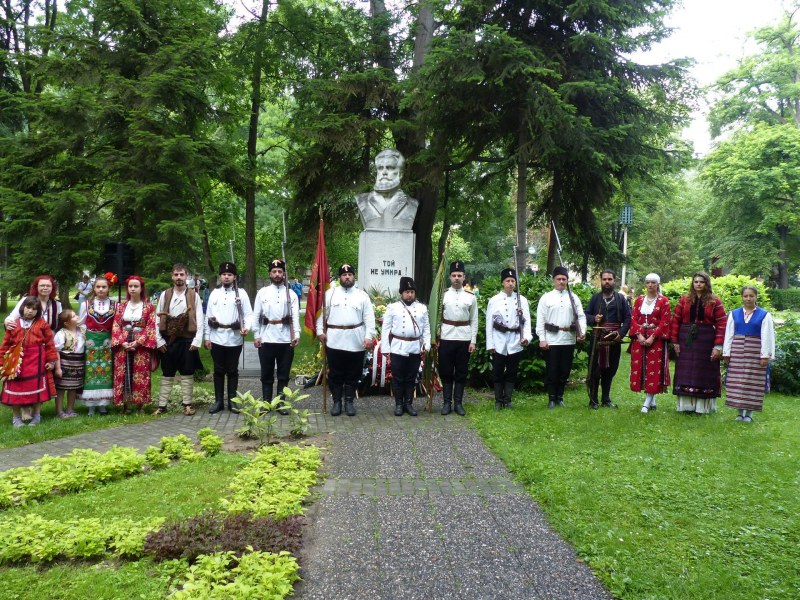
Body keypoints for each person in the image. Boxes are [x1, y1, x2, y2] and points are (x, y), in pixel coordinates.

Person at [317, 264, 376, 417]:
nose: (347, 277)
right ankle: (337, 402)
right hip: (335, 339)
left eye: (350, 274)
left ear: (354, 277)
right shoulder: (330, 294)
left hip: (355, 339)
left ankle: (349, 401)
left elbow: (369, 317)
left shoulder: (362, 295)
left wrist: (369, 336)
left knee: (353, 373)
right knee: (336, 373)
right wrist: (319, 331)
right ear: (339, 278)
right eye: (344, 275)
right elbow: (321, 314)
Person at [670, 271, 727, 414]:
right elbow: (676, 320)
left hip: (706, 341)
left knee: (704, 371)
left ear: (706, 283)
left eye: (701, 282)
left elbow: (722, 324)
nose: (698, 284)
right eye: (696, 282)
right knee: (686, 372)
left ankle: (702, 407)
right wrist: (675, 342)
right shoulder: (684, 300)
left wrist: (718, 346)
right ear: (692, 283)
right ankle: (686, 406)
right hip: (686, 341)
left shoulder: (715, 301)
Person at [155, 263, 204, 416]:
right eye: (176, 275)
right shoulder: (165, 294)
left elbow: (200, 319)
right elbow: (158, 317)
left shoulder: (193, 295)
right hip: (168, 340)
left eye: (182, 274)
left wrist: (197, 340)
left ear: (186, 276)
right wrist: (158, 340)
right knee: (167, 372)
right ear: (172, 276)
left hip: (187, 340)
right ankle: (162, 406)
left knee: (187, 372)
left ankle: (187, 404)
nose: (179, 278)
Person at [0, 296, 58, 427]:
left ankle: (36, 415)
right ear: (22, 307)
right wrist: (1, 363)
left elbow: (50, 344)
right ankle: (16, 418)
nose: (30, 311)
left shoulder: (42, 324)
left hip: (36, 361)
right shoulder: (14, 324)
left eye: (34, 309)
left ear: (38, 311)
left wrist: (52, 361)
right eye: (28, 307)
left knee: (36, 388)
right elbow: (5, 344)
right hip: (16, 362)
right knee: (15, 388)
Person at [205, 262, 253, 414]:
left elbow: (248, 315)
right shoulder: (214, 293)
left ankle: (232, 402)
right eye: (224, 274)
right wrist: (207, 337)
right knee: (218, 370)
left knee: (232, 370)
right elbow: (208, 316)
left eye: (230, 275)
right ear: (220, 276)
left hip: (234, 337)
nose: (226, 277)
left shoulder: (241, 294)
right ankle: (219, 401)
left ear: (234, 277)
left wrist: (246, 327)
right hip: (217, 336)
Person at [536, 266, 587, 409]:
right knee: (552, 370)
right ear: (553, 280)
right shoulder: (546, 297)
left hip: (568, 339)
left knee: (565, 369)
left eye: (564, 279)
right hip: (551, 339)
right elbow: (540, 320)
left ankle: (560, 397)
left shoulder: (573, 297)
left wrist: (581, 332)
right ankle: (551, 398)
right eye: (558, 279)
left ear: (567, 281)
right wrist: (542, 338)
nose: (561, 281)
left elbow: (581, 316)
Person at [723, 286, 776, 422]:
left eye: (751, 296)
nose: (748, 298)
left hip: (755, 352)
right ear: (742, 297)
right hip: (737, 352)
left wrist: (765, 355)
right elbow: (729, 334)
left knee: (753, 382)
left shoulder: (764, 315)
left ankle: (750, 414)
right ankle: (740, 413)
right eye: (745, 296)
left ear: (756, 297)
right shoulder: (734, 314)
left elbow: (767, 336)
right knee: (739, 382)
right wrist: (726, 352)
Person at [253, 259, 298, 414]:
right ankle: (266, 403)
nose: (277, 274)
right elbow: (256, 315)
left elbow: (295, 317)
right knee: (266, 373)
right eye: (274, 272)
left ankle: (280, 404)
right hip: (267, 338)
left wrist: (296, 334)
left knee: (283, 374)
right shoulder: (262, 292)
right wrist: (256, 334)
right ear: (270, 274)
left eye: (280, 272)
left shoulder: (291, 294)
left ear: (284, 274)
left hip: (286, 339)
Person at [381, 276, 431, 416]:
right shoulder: (393, 308)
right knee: (398, 378)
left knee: (411, 377)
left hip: (415, 346)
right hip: (398, 347)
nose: (410, 294)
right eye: (407, 292)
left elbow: (426, 328)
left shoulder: (422, 308)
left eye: (412, 292)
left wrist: (426, 345)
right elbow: (386, 329)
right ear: (401, 293)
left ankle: (408, 404)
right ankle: (398, 404)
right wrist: (385, 348)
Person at [486, 268, 532, 409]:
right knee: (498, 371)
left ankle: (508, 400)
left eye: (513, 281)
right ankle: (498, 401)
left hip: (515, 339)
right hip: (499, 339)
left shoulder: (521, 300)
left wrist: (526, 338)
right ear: (502, 283)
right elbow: (489, 324)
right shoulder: (494, 300)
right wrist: (490, 344)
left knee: (512, 371)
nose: (510, 284)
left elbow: (527, 321)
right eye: (508, 281)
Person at [584, 269, 631, 409]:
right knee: (595, 370)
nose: (607, 282)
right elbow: (585, 315)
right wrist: (594, 318)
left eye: (609, 279)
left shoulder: (621, 299)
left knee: (610, 370)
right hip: (597, 340)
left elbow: (628, 318)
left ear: (614, 281)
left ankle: (606, 399)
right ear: (601, 281)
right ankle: (593, 400)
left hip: (613, 340)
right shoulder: (595, 298)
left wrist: (620, 333)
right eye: (604, 279)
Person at [111, 275, 157, 413]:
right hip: (123, 343)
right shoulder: (121, 306)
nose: (133, 289)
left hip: (140, 345)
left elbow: (151, 326)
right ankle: (125, 405)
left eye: (136, 286)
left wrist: (138, 342)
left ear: (141, 288)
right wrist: (122, 342)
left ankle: (140, 404)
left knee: (140, 373)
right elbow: (116, 325)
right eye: (130, 286)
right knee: (124, 373)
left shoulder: (148, 307)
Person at [438, 260, 478, 416]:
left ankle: (459, 403)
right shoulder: (443, 295)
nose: (456, 278)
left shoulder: (470, 297)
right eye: (454, 275)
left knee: (461, 371)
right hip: (446, 336)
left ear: (464, 277)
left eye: (459, 275)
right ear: (450, 277)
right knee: (446, 371)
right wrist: (436, 338)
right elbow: (437, 318)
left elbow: (474, 319)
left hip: (464, 337)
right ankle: (447, 403)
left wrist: (473, 340)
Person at [629, 273, 672, 413]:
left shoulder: (663, 301)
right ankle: (652, 400)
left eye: (653, 282)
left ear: (658, 284)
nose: (650, 285)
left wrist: (652, 337)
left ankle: (647, 402)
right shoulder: (639, 300)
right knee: (641, 367)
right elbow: (633, 318)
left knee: (653, 370)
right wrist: (639, 335)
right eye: (648, 282)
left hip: (656, 339)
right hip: (640, 338)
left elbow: (665, 321)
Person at [79, 274, 117, 415]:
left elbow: (116, 324)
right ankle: (91, 405)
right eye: (98, 287)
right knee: (91, 372)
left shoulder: (115, 305)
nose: (101, 289)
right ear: (94, 288)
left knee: (106, 372)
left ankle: (103, 404)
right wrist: (86, 337)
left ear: (108, 288)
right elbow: (81, 323)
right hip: (91, 342)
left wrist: (113, 338)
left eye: (104, 287)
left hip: (107, 341)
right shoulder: (86, 304)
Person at [355, 149, 419, 230]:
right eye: (380, 168)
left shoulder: (412, 204)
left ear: (401, 174)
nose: (384, 172)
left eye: (389, 168)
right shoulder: (362, 200)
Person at [53, 309, 85, 419]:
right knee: (61, 388)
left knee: (73, 388)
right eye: (74, 316)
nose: (77, 317)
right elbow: (56, 351)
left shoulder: (81, 331)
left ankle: (70, 409)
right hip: (64, 363)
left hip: (78, 363)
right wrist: (58, 368)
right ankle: (59, 411)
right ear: (66, 323)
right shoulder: (61, 334)